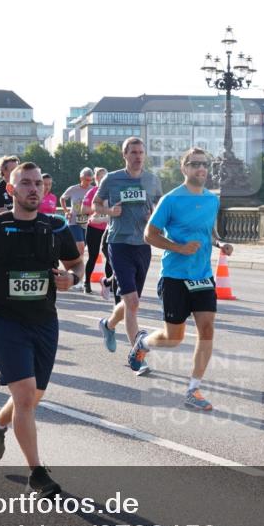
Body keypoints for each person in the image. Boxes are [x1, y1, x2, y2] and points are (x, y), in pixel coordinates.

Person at [0, 162, 84, 498]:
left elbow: (76, 263)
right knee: (26, 396)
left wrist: (73, 278)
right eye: (26, 183)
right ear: (11, 189)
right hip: (4, 318)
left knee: (31, 396)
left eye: (37, 184)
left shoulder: (55, 227)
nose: (33, 189)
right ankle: (37, 474)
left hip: (44, 320)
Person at [127, 148, 232, 410]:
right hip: (175, 276)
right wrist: (179, 248)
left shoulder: (211, 199)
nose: (201, 168)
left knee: (207, 329)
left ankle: (193, 390)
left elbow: (209, 230)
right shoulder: (171, 200)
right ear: (184, 168)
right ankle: (143, 343)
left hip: (203, 276)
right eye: (194, 164)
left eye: (204, 164)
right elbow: (149, 234)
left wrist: (220, 242)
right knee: (174, 338)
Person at [93, 138, 162, 373]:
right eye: (133, 152)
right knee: (132, 302)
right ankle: (138, 356)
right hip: (119, 243)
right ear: (124, 155)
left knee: (130, 302)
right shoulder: (111, 179)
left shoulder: (152, 180)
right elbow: (95, 204)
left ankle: (109, 324)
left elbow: (160, 206)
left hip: (143, 245)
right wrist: (109, 211)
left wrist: (154, 216)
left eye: (141, 152)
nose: (138, 156)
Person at [82, 168, 113, 295]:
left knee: (110, 256)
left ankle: (109, 284)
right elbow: (84, 209)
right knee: (93, 256)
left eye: (106, 177)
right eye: (101, 177)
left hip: (109, 228)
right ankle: (87, 282)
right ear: (96, 179)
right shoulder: (92, 192)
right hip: (94, 228)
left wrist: (105, 212)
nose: (104, 179)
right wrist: (97, 209)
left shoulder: (112, 191)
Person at [60, 168, 93, 258]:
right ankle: (78, 265)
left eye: (91, 180)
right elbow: (62, 198)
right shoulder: (73, 189)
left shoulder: (93, 189)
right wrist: (66, 211)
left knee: (82, 247)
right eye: (87, 180)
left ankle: (77, 263)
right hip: (74, 221)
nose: (89, 182)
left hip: (87, 222)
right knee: (80, 246)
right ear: (81, 178)